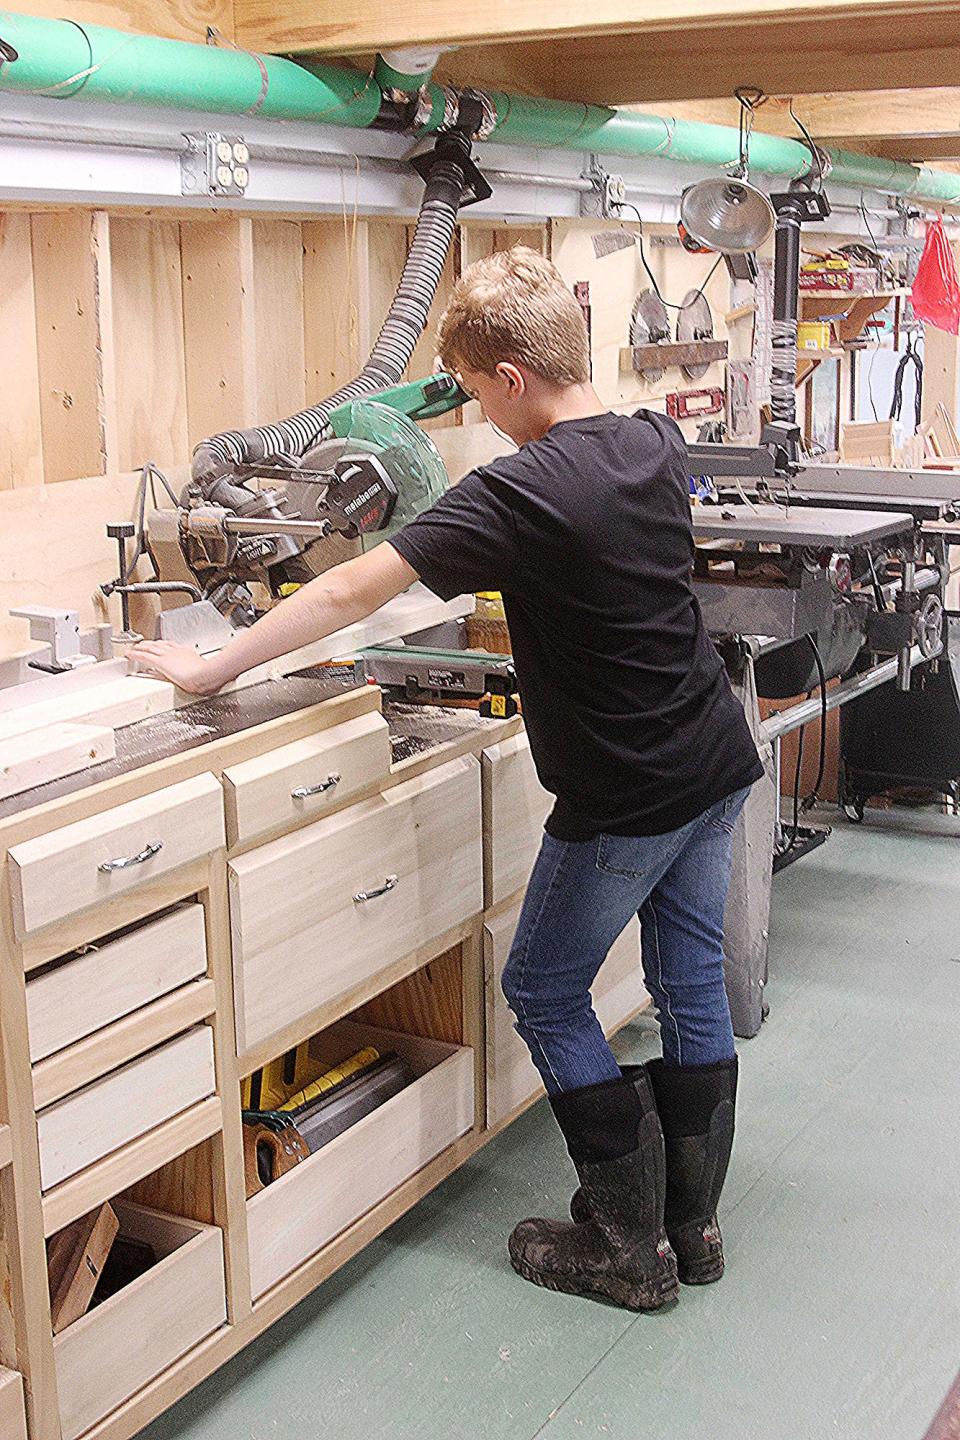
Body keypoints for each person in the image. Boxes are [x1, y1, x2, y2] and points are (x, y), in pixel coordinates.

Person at [132, 246, 763, 1314]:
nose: (477, 410)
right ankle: (691, 1230)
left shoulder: (518, 490)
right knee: (689, 974)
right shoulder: (653, 441)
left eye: (476, 391)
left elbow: (344, 598)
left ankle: (623, 1244)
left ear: (511, 377)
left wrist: (209, 664)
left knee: (544, 988)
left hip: (625, 793)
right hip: (713, 758)